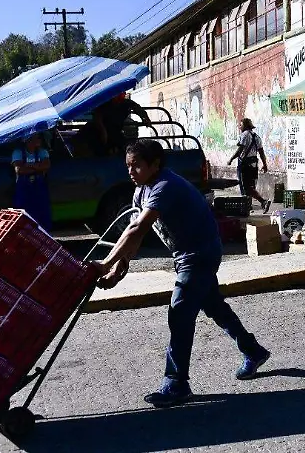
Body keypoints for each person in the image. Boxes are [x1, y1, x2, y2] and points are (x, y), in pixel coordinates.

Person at [92, 139, 271, 407]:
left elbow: (136, 230)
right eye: (128, 166)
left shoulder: (165, 187)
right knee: (213, 306)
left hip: (199, 254)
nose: (131, 172)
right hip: (187, 254)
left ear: (155, 165)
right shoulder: (142, 189)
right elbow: (134, 236)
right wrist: (118, 267)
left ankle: (176, 384)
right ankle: (253, 350)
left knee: (180, 313)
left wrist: (105, 263)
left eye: (137, 166)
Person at [227, 118, 271, 213]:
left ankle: (263, 201)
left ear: (245, 126)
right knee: (251, 186)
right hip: (254, 164)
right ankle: (249, 205)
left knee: (245, 187)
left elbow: (240, 150)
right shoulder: (257, 137)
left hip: (245, 164)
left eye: (240, 125)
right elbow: (261, 152)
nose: (239, 127)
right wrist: (265, 164)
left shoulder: (244, 135)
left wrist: (231, 159)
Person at [12, 132, 53, 231]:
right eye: (36, 138)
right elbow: (19, 170)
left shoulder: (43, 152)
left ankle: (43, 231)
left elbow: (46, 165)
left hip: (39, 186)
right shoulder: (18, 152)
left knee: (42, 210)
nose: (39, 140)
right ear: (28, 140)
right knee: (24, 210)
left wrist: (28, 166)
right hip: (24, 187)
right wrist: (38, 167)